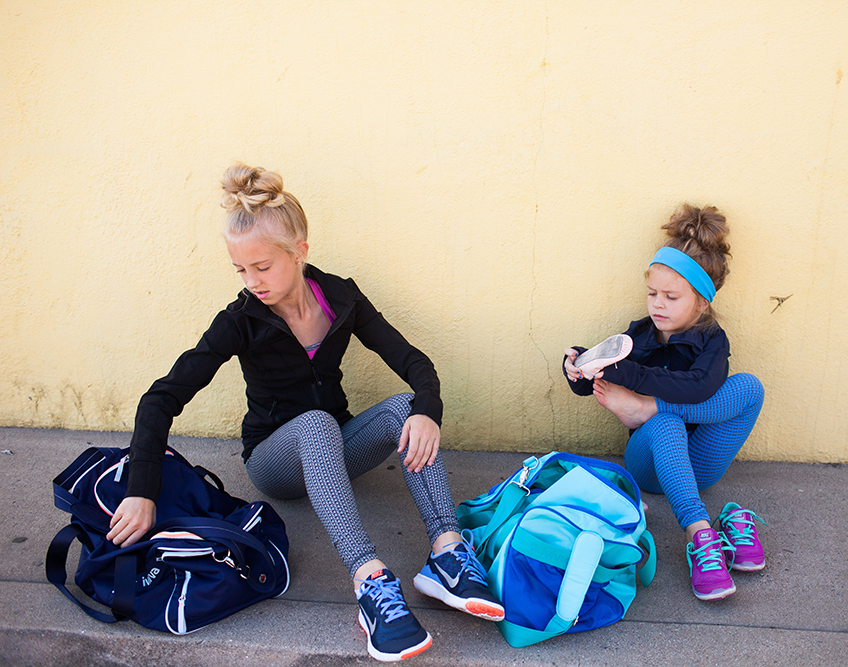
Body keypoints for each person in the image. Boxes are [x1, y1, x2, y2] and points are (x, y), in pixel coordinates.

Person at [107, 163, 503, 661]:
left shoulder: (342, 298)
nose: (252, 281)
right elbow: (161, 398)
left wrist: (428, 411)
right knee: (316, 425)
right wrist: (141, 490)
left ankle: (447, 554)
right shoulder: (240, 321)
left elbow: (413, 361)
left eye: (262, 266)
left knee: (405, 407)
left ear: (299, 252)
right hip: (275, 462)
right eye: (241, 270)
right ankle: (369, 579)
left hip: (334, 447)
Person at [562, 204, 765, 602]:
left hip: (702, 464)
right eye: (652, 293)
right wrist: (578, 366)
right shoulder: (638, 336)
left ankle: (649, 411)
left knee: (749, 387)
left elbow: (699, 389)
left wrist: (642, 399)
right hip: (648, 467)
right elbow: (593, 382)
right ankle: (701, 534)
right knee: (665, 423)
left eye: (671, 297)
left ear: (701, 302)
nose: (658, 304)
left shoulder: (712, 341)